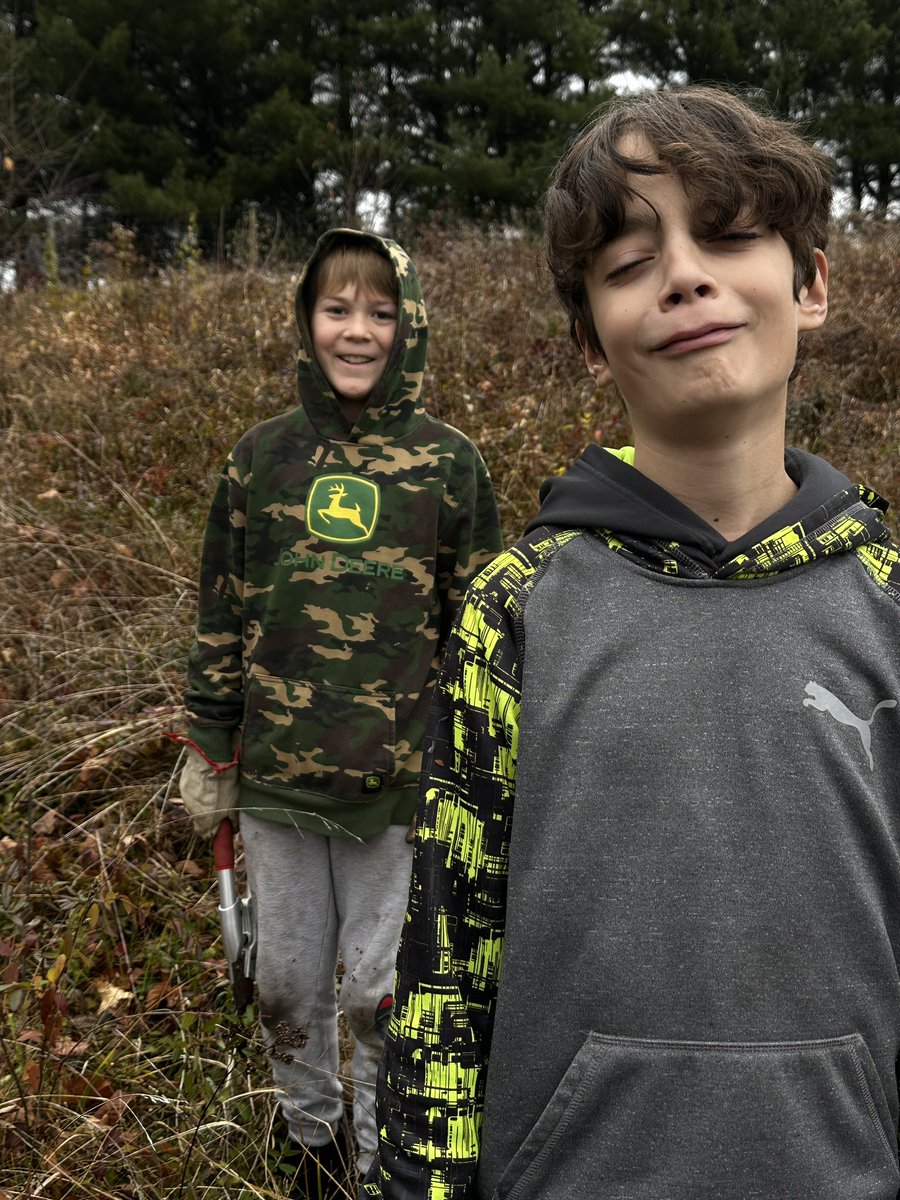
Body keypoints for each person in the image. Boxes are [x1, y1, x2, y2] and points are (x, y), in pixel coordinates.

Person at [362, 86, 900, 1200]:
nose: (686, 275)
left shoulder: (891, 599)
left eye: (730, 233)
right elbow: (447, 969)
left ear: (811, 284)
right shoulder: (517, 608)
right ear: (592, 343)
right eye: (627, 261)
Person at [176, 228, 502, 1198]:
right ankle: (310, 1142)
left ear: (410, 326)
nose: (357, 330)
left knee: (377, 993)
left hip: (396, 786)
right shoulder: (259, 460)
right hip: (276, 778)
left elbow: (477, 624)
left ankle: (376, 1153)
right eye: (336, 308)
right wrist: (210, 738)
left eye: (380, 311)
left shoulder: (450, 466)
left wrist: (475, 760)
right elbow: (223, 607)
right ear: (306, 320)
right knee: (282, 984)